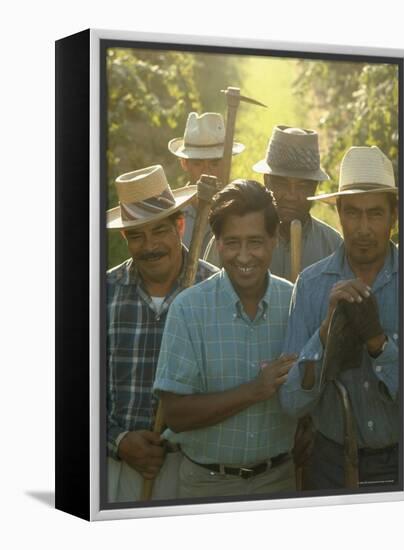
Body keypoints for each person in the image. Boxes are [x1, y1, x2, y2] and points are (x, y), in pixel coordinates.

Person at [153, 180, 298, 498]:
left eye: (255, 242)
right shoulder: (189, 310)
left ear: (274, 240)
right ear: (216, 243)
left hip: (279, 482)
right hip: (205, 485)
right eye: (232, 242)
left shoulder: (294, 303)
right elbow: (175, 416)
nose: (244, 256)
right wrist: (255, 390)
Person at [280, 146, 399, 489]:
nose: (363, 228)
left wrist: (378, 344)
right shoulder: (312, 286)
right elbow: (291, 402)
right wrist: (325, 331)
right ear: (339, 215)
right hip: (331, 463)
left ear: (394, 215)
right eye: (352, 213)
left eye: (375, 214)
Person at [106, 164, 217, 502]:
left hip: (194, 466)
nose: (150, 246)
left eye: (159, 231)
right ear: (125, 238)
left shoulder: (212, 291)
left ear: (180, 226)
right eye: (137, 235)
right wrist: (118, 440)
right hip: (117, 468)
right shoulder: (102, 293)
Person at [204, 125, 342, 280]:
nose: (291, 195)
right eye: (282, 183)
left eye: (303, 186)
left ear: (315, 188)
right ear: (266, 181)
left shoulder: (332, 246)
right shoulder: (230, 239)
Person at [169, 111, 244, 257]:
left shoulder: (241, 210)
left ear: (226, 163)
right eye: (198, 164)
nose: (207, 171)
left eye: (214, 163)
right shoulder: (171, 213)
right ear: (184, 163)